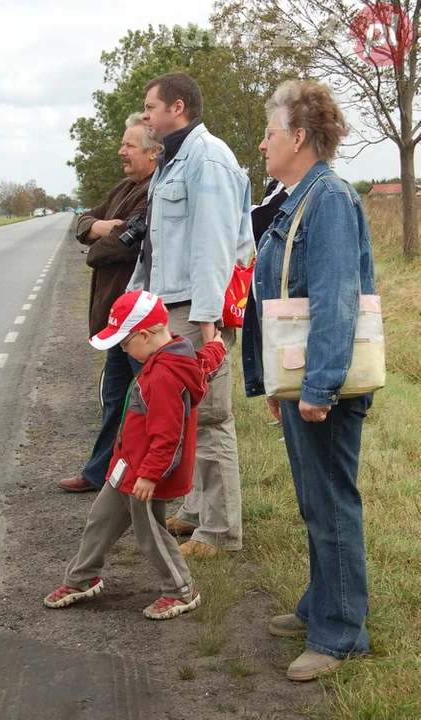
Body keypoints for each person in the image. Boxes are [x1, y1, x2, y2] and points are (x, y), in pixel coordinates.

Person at [242, 80, 376, 681]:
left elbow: (334, 301)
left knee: (330, 501)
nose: (263, 143)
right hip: (300, 381)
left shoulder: (329, 201)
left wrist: (318, 387)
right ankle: (322, 602)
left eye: (270, 132)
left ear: (298, 136)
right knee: (312, 500)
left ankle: (342, 632)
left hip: (323, 384)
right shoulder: (295, 198)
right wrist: (280, 386)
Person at [128, 72, 253, 557]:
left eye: (150, 108)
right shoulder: (172, 160)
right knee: (187, 413)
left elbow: (213, 249)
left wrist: (207, 326)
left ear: (177, 108)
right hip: (172, 306)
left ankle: (221, 532)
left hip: (197, 313)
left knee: (213, 418)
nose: (145, 116)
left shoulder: (209, 159)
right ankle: (199, 511)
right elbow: (158, 248)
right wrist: (141, 303)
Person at [44, 290, 226, 619]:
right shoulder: (170, 357)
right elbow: (203, 360)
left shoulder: (163, 375)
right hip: (126, 468)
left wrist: (150, 475)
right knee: (100, 521)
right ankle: (81, 578)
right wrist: (216, 345)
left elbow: (168, 435)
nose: (123, 349)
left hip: (145, 475)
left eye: (125, 343)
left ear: (145, 334)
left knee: (151, 534)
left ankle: (181, 590)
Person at [58, 114, 162, 493]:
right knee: (114, 397)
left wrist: (99, 240)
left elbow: (123, 244)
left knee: (148, 399)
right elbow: (83, 223)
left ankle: (150, 476)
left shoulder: (156, 189)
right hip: (118, 322)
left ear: (153, 153)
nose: (121, 151)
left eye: (129, 145)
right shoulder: (123, 186)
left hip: (140, 320)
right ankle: (101, 472)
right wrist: (100, 227)